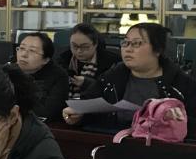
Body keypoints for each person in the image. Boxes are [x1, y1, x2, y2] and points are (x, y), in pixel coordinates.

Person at [63, 22, 196, 141]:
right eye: (125, 43)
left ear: (158, 50)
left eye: (136, 43)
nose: (128, 49)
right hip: (113, 144)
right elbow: (87, 105)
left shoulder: (180, 84)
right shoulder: (112, 77)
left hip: (162, 149)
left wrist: (175, 120)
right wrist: (77, 115)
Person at [8, 32, 69, 121]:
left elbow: (47, 112)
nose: (23, 54)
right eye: (21, 48)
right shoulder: (8, 71)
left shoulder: (59, 76)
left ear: (46, 60)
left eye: (32, 51)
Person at [56, 23, 120, 101]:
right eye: (74, 46)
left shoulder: (112, 62)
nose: (79, 51)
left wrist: (87, 83)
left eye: (84, 47)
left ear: (95, 44)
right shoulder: (62, 60)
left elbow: (113, 92)